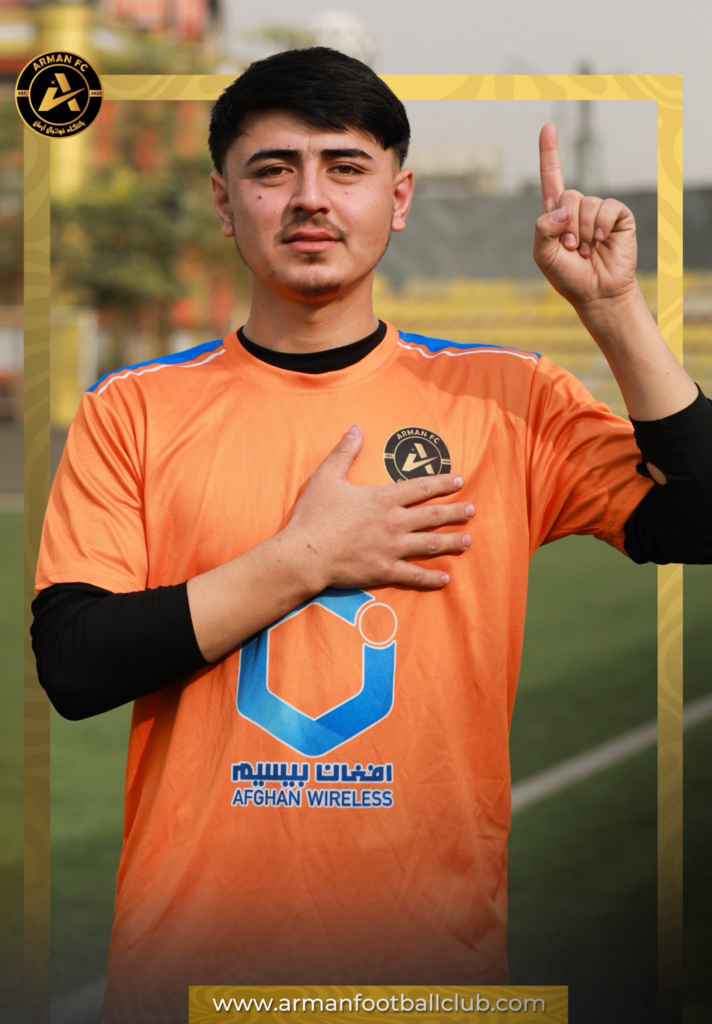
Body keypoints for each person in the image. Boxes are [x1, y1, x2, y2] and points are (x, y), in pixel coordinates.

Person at [32, 47, 711, 1024]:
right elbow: (74, 663)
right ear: (224, 202)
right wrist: (304, 559)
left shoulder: (506, 398)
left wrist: (614, 310)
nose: (310, 197)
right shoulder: (132, 410)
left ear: (398, 198)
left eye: (344, 167)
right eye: (273, 169)